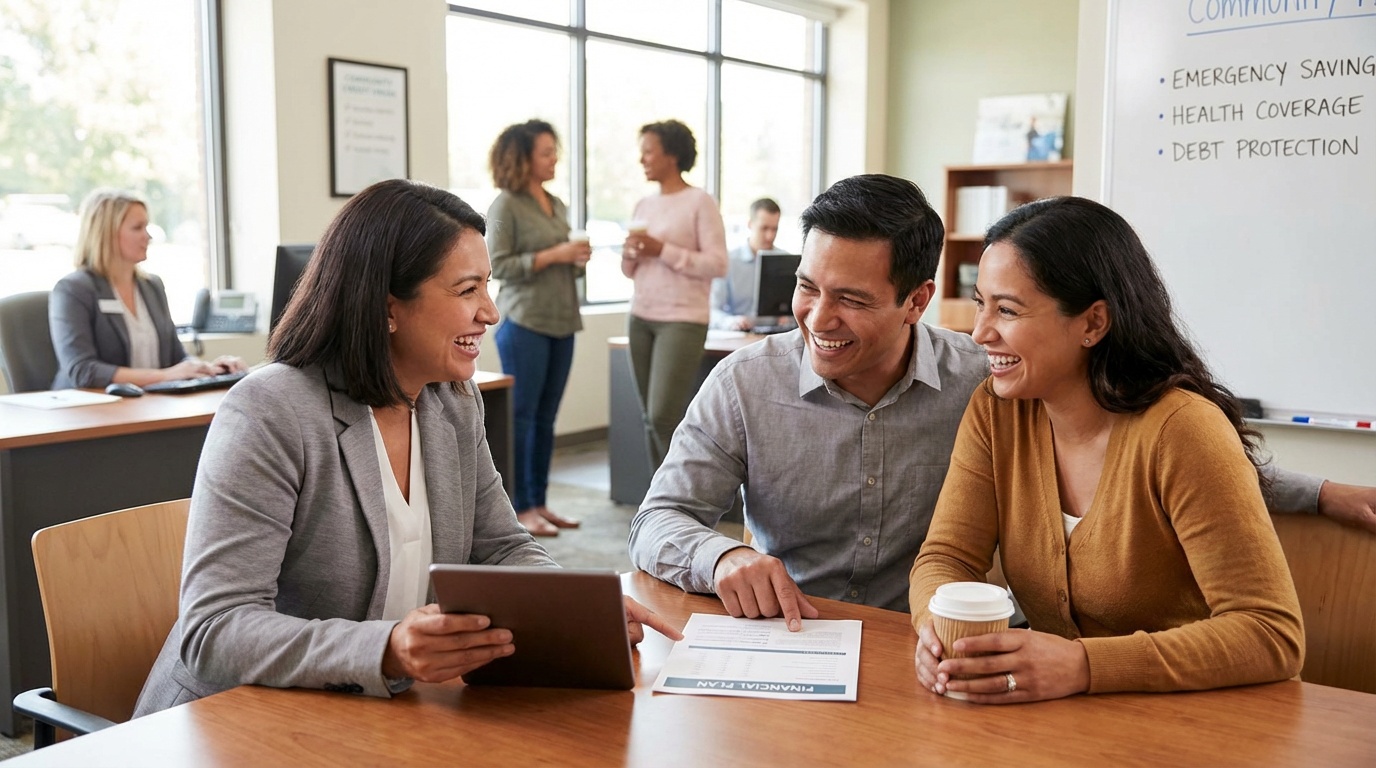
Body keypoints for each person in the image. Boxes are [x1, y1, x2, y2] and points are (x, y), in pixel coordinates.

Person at [628, 174, 1376, 632]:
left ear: (917, 300)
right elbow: (657, 521)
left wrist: (1322, 492)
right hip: (794, 638)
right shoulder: (746, 383)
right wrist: (721, 552)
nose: (818, 318)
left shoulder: (992, 382)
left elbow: (1153, 452)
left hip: (947, 641)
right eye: (807, 287)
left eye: (852, 299)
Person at [134, 180, 677, 716]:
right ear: (387, 308)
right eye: (467, 291)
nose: (491, 312)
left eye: (487, 286)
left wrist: (578, 614)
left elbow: (501, 546)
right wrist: (387, 649)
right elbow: (215, 629)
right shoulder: (270, 410)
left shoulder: (452, 400)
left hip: (368, 714)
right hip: (234, 722)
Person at [909, 197, 1305, 702]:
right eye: (980, 302)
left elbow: (1271, 634)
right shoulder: (996, 410)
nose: (981, 331)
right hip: (1070, 719)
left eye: (1007, 310)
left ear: (1093, 323)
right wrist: (935, 628)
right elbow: (945, 557)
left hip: (1204, 719)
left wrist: (1083, 666)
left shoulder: (1183, 430)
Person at [485, 120, 591, 538]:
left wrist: (574, 259)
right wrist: (553, 254)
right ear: (522, 157)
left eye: (554, 151)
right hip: (524, 322)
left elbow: (560, 259)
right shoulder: (505, 206)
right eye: (546, 152)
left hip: (562, 319)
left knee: (546, 419)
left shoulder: (556, 203)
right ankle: (520, 508)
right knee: (523, 419)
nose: (553, 159)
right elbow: (499, 266)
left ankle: (540, 502)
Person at [49, 188, 245, 389]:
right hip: (90, 411)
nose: (148, 236)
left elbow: (176, 357)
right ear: (106, 233)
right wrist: (164, 376)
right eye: (137, 228)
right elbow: (83, 371)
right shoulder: (74, 290)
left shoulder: (152, 286)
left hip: (148, 406)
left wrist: (207, 369)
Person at [621, 119, 728, 470]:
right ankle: (662, 506)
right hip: (641, 317)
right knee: (650, 419)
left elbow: (717, 264)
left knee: (664, 416)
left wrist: (661, 249)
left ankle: (681, 501)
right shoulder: (643, 205)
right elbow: (629, 270)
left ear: (671, 155)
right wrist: (632, 255)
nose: (642, 159)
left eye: (648, 151)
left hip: (681, 320)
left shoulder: (700, 201)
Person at [709, 197, 793, 332]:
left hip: (777, 335)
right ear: (750, 224)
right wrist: (732, 322)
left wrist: (790, 318)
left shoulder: (787, 261)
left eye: (774, 229)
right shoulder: (729, 261)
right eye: (764, 228)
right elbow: (713, 311)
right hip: (739, 335)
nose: (770, 236)